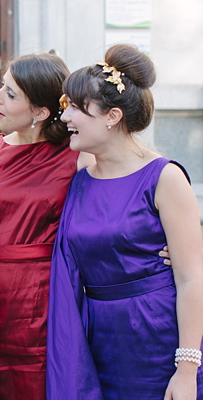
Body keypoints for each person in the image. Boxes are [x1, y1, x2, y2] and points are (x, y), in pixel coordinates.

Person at [46, 44, 203, 399]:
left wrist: (186, 368)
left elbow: (192, 278)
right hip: (96, 338)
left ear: (112, 117)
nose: (65, 118)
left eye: (75, 108)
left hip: (155, 336)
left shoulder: (164, 178)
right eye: (64, 106)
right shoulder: (81, 174)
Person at [0, 53, 87, 400]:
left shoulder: (77, 154)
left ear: (40, 112)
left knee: (42, 378)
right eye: (0, 88)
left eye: (9, 93)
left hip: (50, 291)